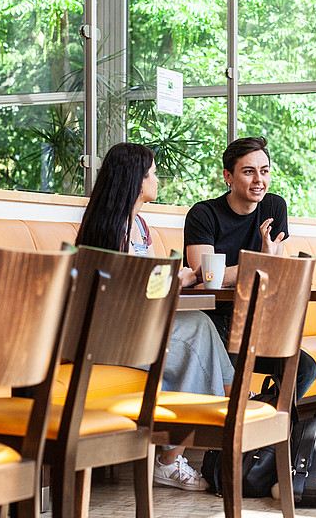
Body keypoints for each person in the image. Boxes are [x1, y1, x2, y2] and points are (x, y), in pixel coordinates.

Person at [77, 142, 235, 491]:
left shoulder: (140, 225)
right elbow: (129, 292)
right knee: (198, 332)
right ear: (136, 180)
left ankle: (221, 413)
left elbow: (149, 284)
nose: (156, 179)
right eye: (151, 173)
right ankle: (214, 423)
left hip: (141, 325)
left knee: (201, 327)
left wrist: (177, 279)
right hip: (113, 336)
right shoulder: (109, 228)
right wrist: (178, 278)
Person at [183, 136, 316, 401]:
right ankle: (243, 430)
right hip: (212, 324)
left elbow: (277, 274)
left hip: (254, 319)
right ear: (228, 176)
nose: (259, 180)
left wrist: (242, 271)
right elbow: (204, 276)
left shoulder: (273, 206)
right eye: (248, 171)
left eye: (264, 171)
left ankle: (255, 431)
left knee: (305, 369)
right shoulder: (203, 214)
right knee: (236, 369)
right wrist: (261, 263)